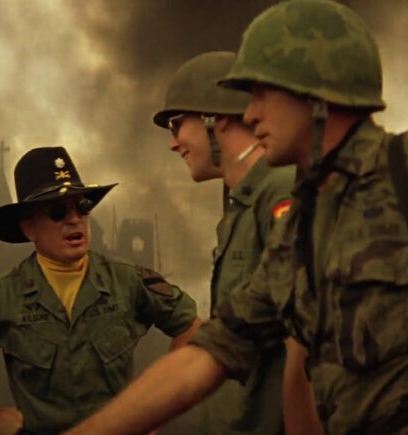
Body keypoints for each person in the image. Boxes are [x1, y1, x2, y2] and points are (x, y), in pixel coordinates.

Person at [68, 1, 408, 433]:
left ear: (316, 92)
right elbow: (212, 351)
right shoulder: (302, 228)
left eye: (263, 94)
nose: (250, 113)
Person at [0, 146, 202, 434]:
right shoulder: (2, 294)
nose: (74, 219)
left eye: (82, 207)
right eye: (57, 212)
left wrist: (156, 410)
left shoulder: (127, 280)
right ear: (29, 229)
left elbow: (190, 325)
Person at [152, 51, 294, 434]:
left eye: (177, 125)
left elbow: (301, 347)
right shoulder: (240, 208)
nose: (173, 143)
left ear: (218, 118)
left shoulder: (280, 191)